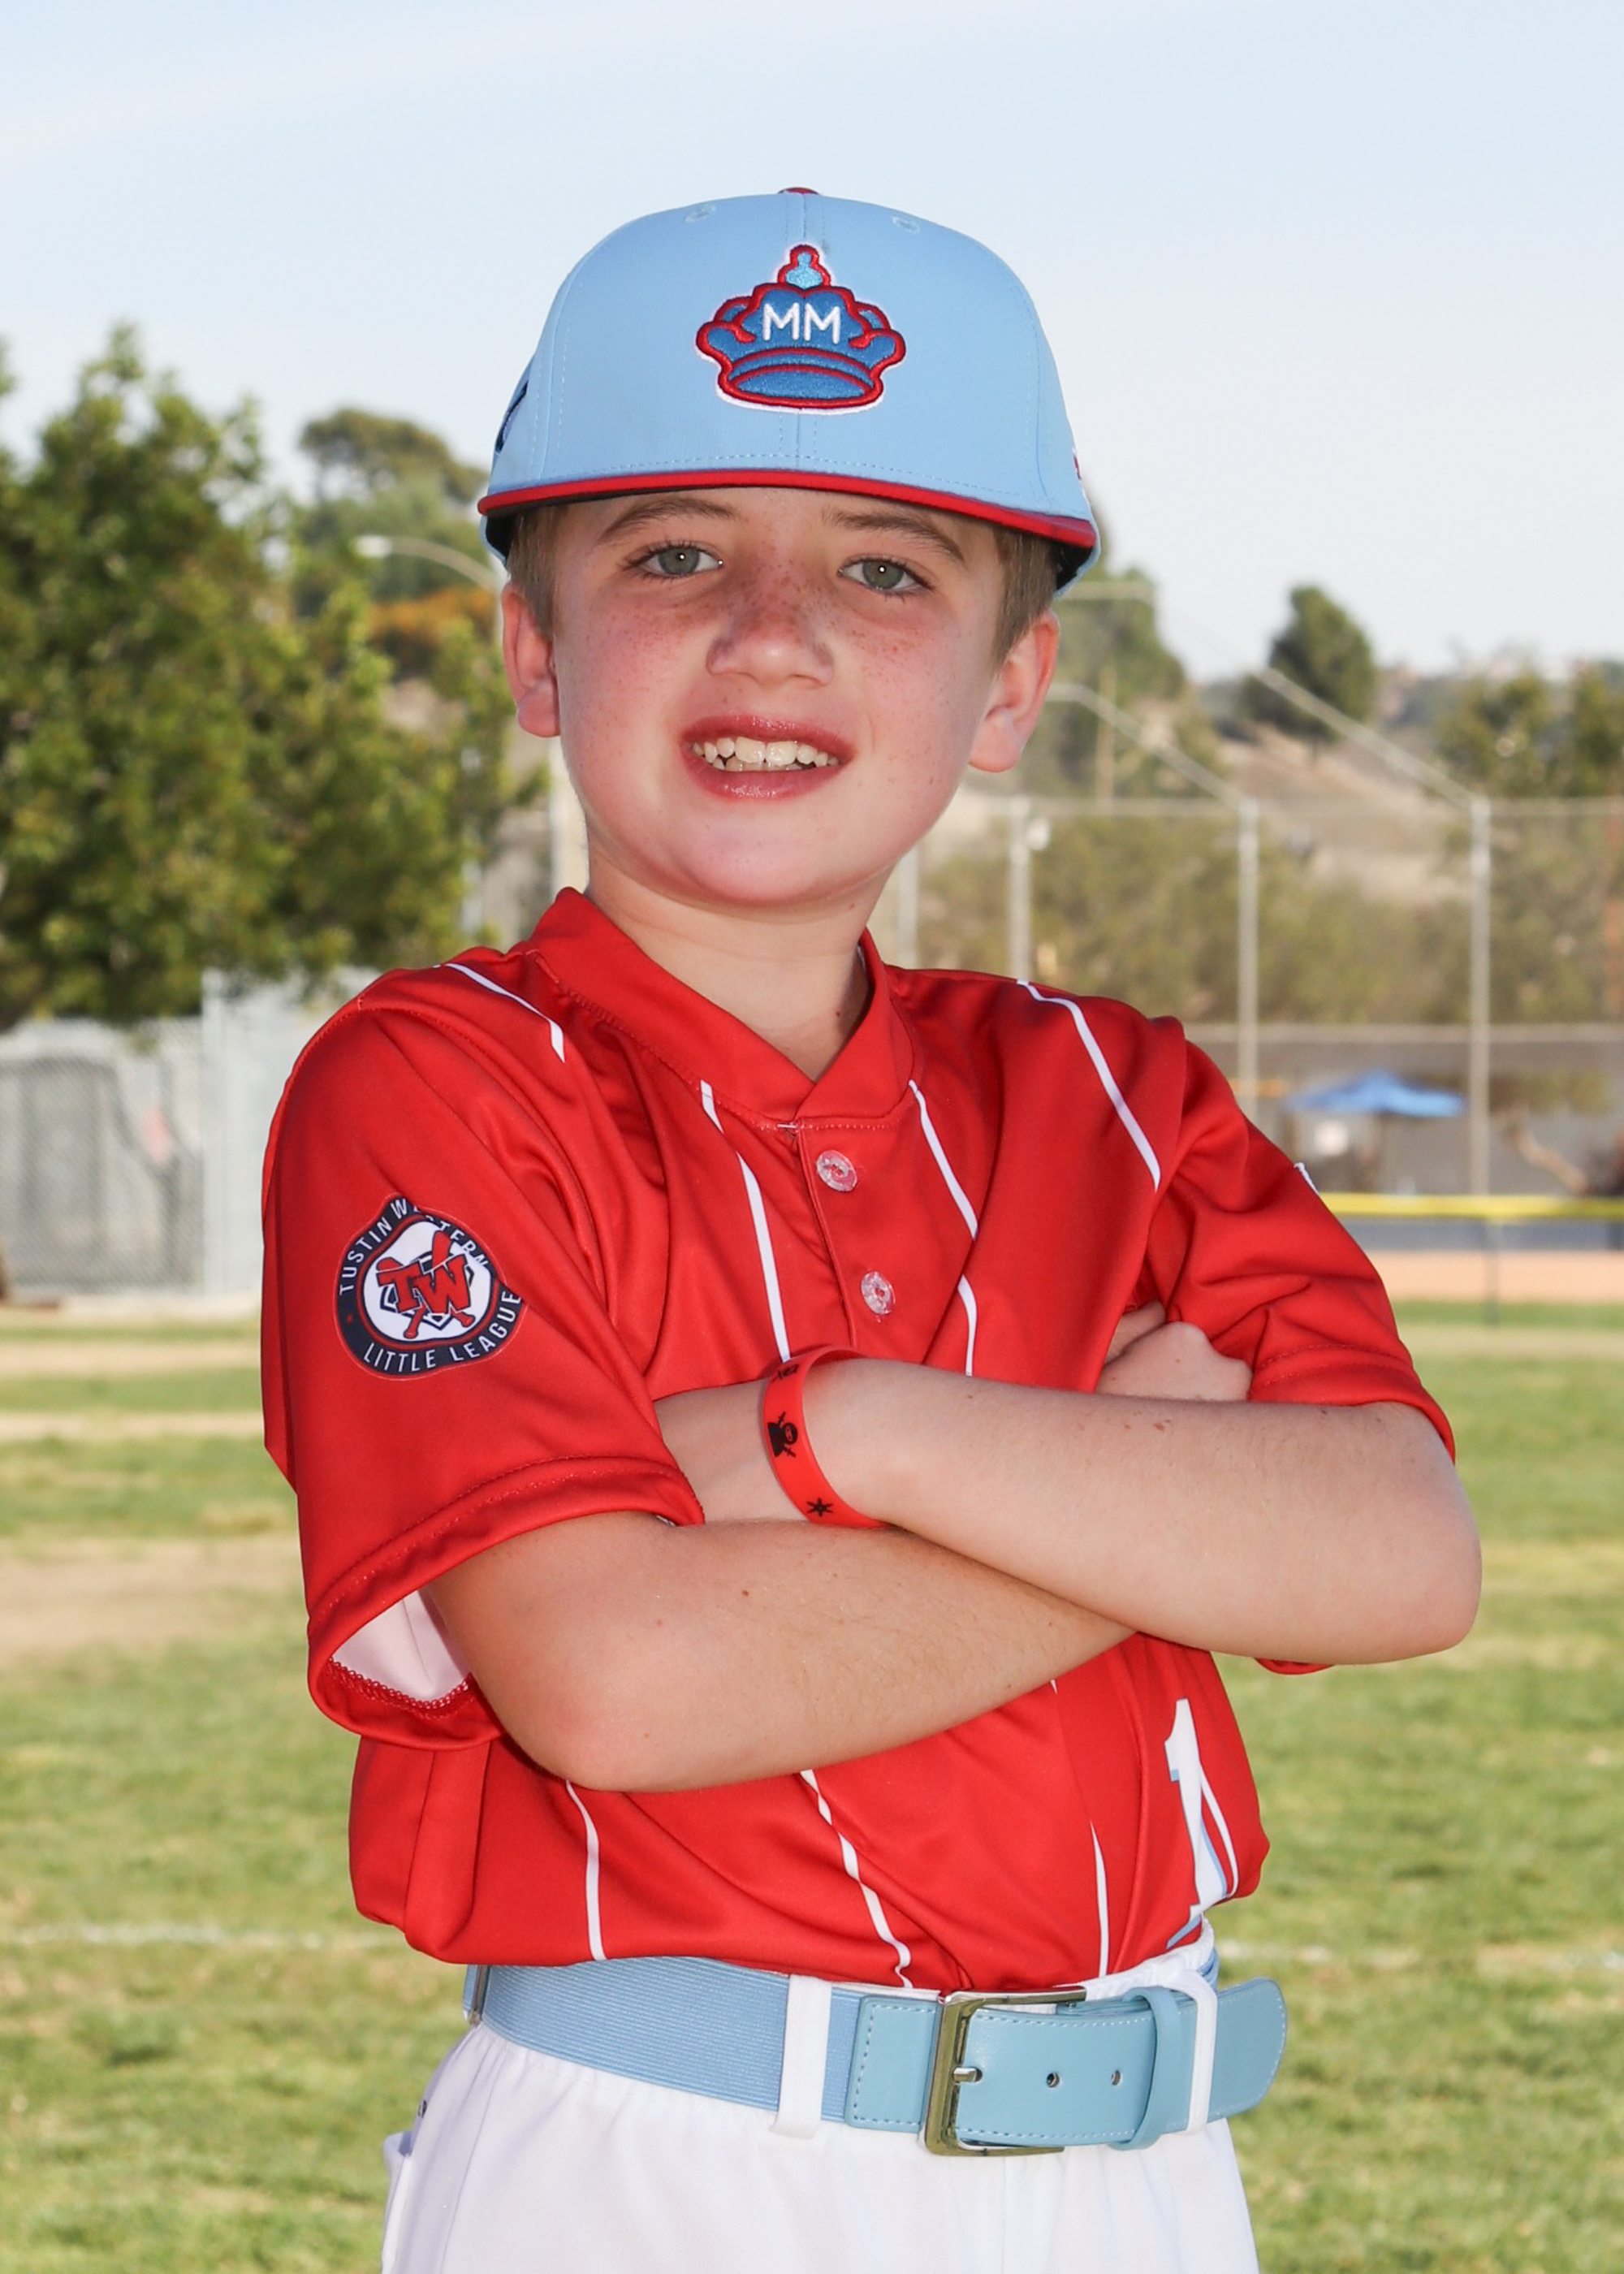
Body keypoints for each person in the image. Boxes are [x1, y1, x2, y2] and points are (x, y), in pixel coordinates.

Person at [261, 190, 1479, 2274]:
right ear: (536, 650)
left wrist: (850, 1429)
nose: (771, 631)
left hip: (1141, 2170)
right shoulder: (438, 1083)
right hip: (671, 2160)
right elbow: (619, 1677)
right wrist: (1143, 1498)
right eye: (672, 553)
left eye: (886, 568)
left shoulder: (1112, 1086)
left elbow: (1399, 1552)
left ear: (1010, 684)